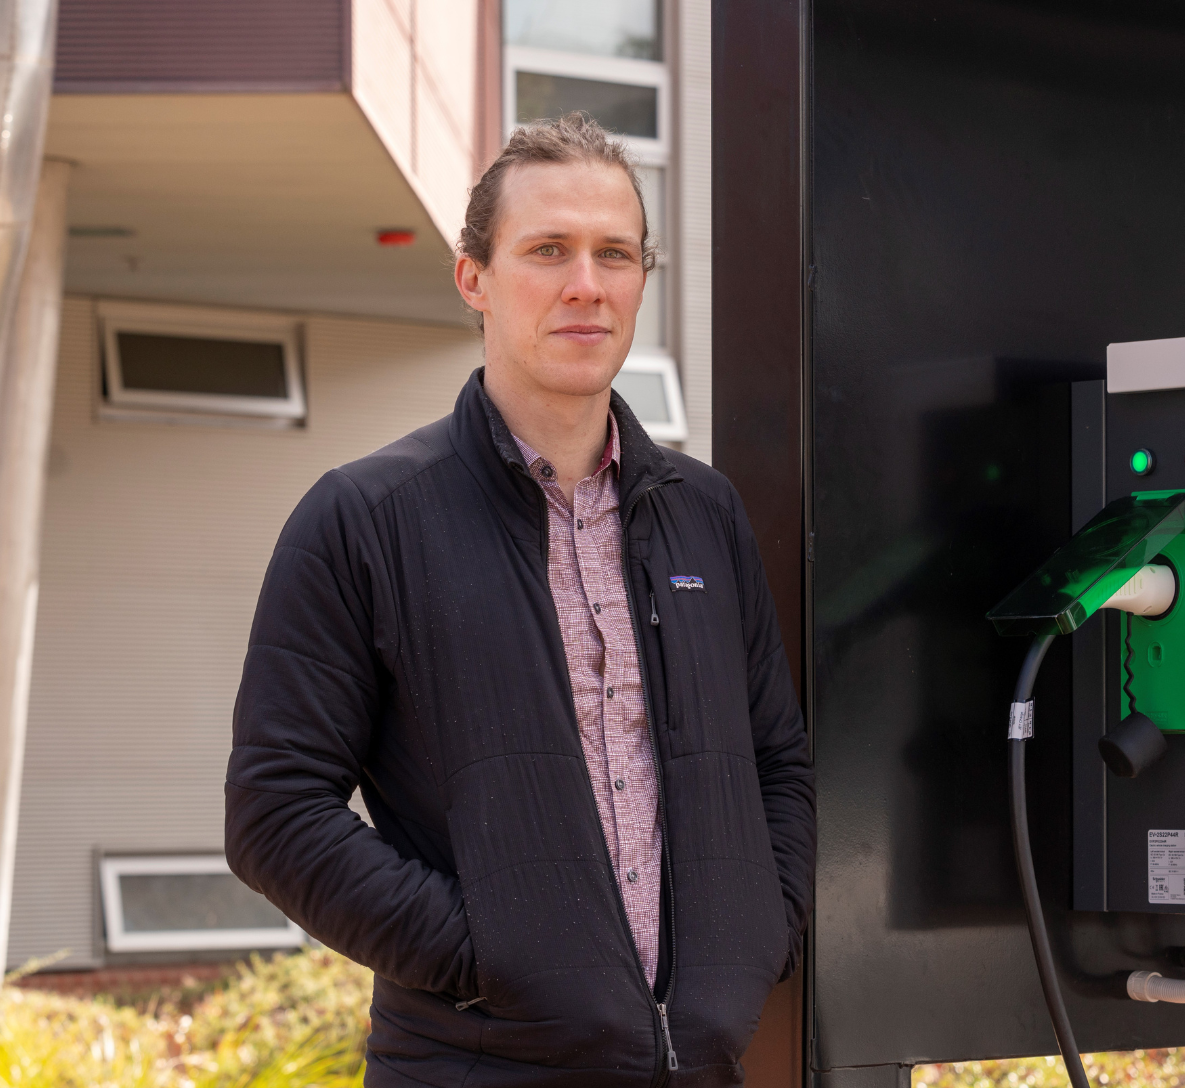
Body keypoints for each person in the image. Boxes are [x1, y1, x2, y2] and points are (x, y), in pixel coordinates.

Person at [225, 112, 815, 1087]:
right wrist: (488, 954)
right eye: (548, 250)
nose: (586, 283)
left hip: (698, 1065)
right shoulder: (363, 517)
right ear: (474, 279)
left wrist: (754, 939)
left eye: (614, 253)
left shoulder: (703, 513)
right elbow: (275, 811)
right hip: (470, 1063)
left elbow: (776, 764)